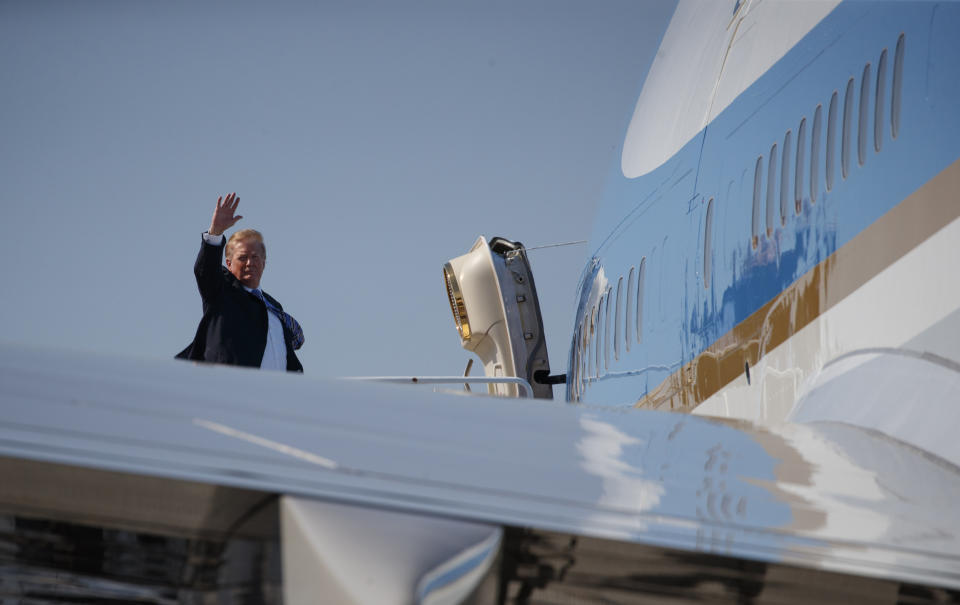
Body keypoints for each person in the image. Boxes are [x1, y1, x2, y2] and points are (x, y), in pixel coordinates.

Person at [176, 193, 305, 372]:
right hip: (230, 390)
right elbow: (205, 271)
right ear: (228, 264)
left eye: (255, 257)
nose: (249, 263)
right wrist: (215, 232)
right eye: (242, 258)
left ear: (264, 263)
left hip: (276, 394)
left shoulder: (272, 306)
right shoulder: (221, 292)